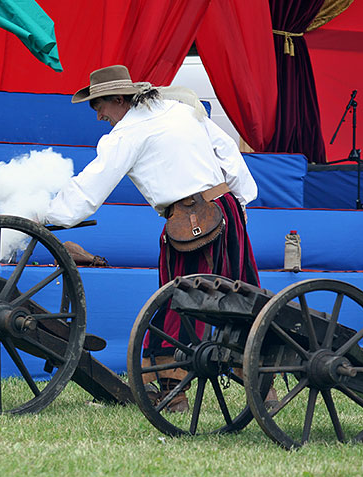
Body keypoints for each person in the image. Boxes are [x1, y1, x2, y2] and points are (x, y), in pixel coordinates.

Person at [44, 65, 261, 412]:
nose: (99, 115)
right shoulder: (179, 108)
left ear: (119, 98)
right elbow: (227, 152)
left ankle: (174, 395)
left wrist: (49, 216)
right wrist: (241, 200)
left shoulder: (126, 135)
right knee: (242, 297)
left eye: (99, 105)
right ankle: (264, 386)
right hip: (225, 209)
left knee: (180, 304)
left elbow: (90, 188)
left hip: (194, 223)